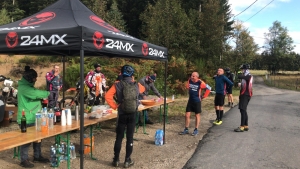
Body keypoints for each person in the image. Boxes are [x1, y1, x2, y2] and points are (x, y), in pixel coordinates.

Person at [105, 65, 145, 168]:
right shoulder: (136, 85)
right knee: (130, 137)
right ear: (132, 74)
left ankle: (116, 160)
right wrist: (134, 80)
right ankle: (127, 160)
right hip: (132, 114)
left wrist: (114, 106)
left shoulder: (117, 84)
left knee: (119, 137)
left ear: (122, 73)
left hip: (122, 114)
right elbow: (143, 89)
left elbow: (107, 96)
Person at [18, 66, 50, 168]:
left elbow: (36, 94)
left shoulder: (28, 86)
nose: (35, 79)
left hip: (34, 117)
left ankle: (37, 156)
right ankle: (24, 160)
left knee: (38, 138)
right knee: (26, 140)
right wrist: (48, 93)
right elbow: (35, 94)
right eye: (34, 78)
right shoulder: (24, 88)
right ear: (29, 78)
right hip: (26, 118)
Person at [179, 72, 211, 136]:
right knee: (187, 115)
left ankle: (196, 129)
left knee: (197, 115)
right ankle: (186, 129)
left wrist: (204, 96)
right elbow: (187, 86)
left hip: (197, 101)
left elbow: (209, 88)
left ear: (197, 77)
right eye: (191, 76)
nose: (192, 77)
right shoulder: (190, 80)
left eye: (193, 76)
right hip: (190, 101)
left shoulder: (200, 82)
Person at [234, 64, 253, 132]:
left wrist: (239, 73)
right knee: (243, 110)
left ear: (244, 69)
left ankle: (241, 126)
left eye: (242, 69)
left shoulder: (248, 75)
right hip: (245, 94)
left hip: (245, 95)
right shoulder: (246, 76)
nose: (241, 70)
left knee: (242, 110)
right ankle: (246, 125)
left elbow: (239, 76)